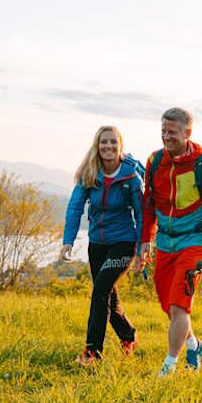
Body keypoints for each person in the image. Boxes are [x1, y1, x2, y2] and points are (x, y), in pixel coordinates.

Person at [138, 107, 202, 376]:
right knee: (168, 306)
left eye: (172, 132)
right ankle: (194, 345)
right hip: (165, 242)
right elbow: (149, 204)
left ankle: (168, 367)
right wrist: (145, 240)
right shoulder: (154, 161)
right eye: (163, 131)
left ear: (187, 133)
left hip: (194, 242)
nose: (166, 137)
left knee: (179, 305)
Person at [60, 125, 144, 364]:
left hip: (124, 242)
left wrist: (140, 249)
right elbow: (75, 207)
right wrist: (68, 240)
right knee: (108, 294)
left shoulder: (131, 178)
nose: (108, 147)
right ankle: (128, 335)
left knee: (100, 291)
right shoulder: (90, 173)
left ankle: (92, 352)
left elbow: (141, 214)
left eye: (113, 143)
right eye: (104, 142)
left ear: (120, 146)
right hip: (96, 243)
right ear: (97, 146)